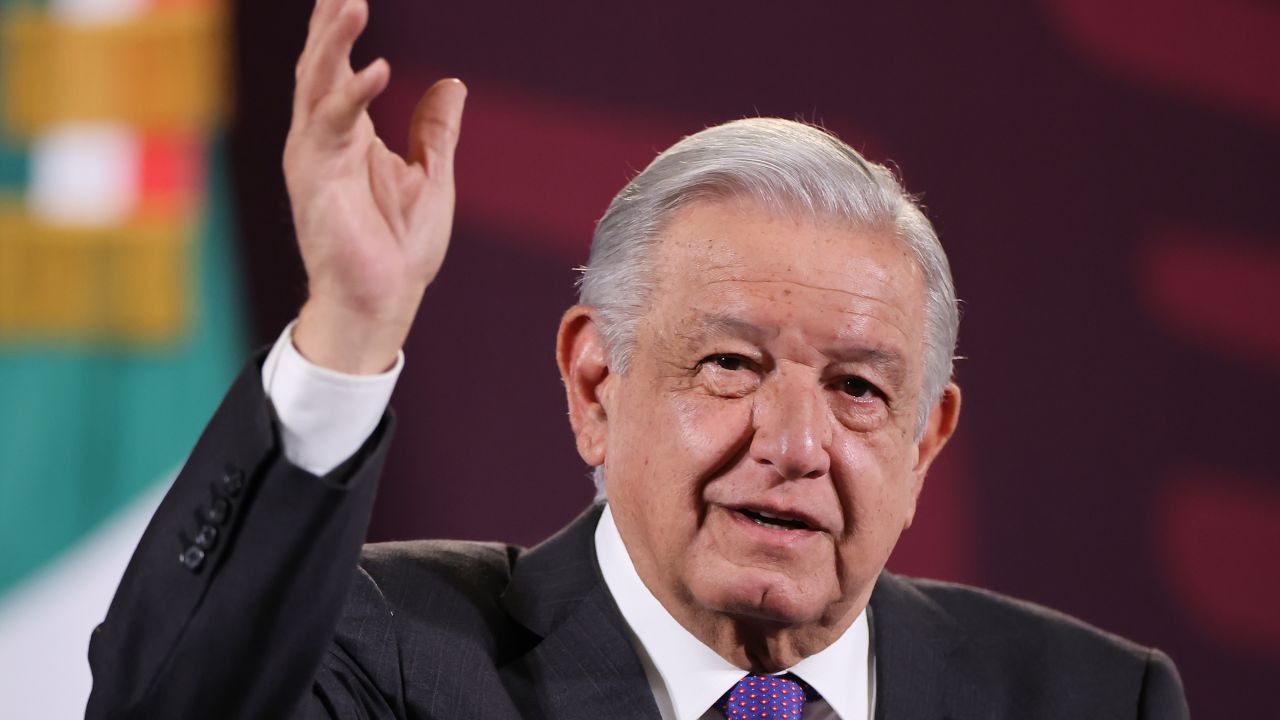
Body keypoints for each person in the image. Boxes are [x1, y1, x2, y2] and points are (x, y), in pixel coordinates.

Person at [86, 0, 1190, 718]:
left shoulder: (1092, 698)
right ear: (594, 386)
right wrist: (349, 330)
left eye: (857, 389)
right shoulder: (384, 651)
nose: (794, 445)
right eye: (729, 366)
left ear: (923, 440)